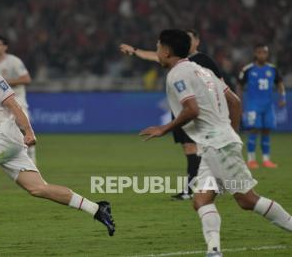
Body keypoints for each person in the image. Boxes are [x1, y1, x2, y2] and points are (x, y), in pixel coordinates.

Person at [0, 38, 115, 239]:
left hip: (3, 132)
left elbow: (13, 105)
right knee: (38, 188)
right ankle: (97, 208)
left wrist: (29, 132)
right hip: (3, 140)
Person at [140, 29, 292, 257]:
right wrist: (231, 133)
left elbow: (191, 109)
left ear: (167, 50)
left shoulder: (177, 74)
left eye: (158, 47)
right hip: (215, 144)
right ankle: (214, 251)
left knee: (246, 200)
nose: (157, 52)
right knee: (201, 200)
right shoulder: (202, 71)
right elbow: (235, 101)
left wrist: (164, 128)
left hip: (217, 144)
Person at [120, 29, 227, 200]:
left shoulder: (203, 61)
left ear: (197, 42)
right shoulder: (174, 62)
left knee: (199, 148)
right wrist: (134, 51)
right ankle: (210, 185)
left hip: (197, 112)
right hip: (181, 110)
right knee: (189, 148)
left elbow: (220, 85)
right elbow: (153, 55)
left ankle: (195, 189)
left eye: (190, 39)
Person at [0, 35, 37, 164]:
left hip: (17, 99)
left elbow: (26, 79)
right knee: (2, 131)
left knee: (24, 127)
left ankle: (32, 158)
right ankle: (12, 160)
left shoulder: (14, 61)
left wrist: (4, 83)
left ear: (5, 47)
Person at [236, 44, 286, 169]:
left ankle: (266, 160)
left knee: (266, 131)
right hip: (253, 105)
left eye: (264, 52)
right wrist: (239, 101)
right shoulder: (248, 69)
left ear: (267, 54)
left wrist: (282, 98)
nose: (262, 55)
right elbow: (239, 86)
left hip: (268, 106)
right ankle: (251, 159)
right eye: (259, 52)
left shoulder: (272, 69)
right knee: (253, 130)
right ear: (255, 53)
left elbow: (280, 83)